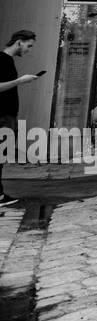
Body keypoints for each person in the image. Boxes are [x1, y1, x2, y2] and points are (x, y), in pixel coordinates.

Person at [0, 30, 40, 207]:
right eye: (29, 46)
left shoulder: (6, 60)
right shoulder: (2, 60)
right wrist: (20, 81)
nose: (29, 50)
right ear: (19, 42)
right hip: (2, 118)